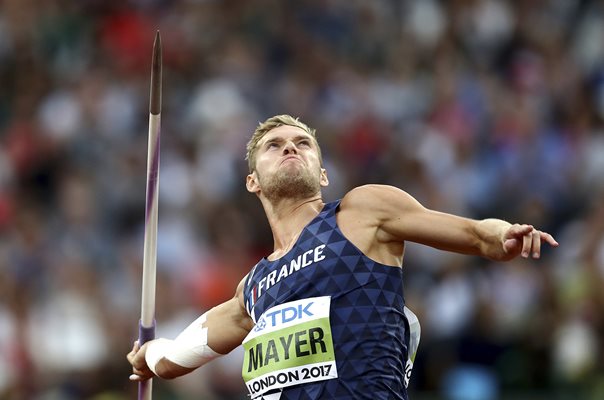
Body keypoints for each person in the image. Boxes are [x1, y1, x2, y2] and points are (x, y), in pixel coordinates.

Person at [127, 115, 559, 399]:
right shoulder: (254, 289)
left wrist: (503, 235)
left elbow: (472, 233)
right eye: (274, 145)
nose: (290, 148)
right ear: (253, 182)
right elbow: (174, 356)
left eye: (302, 143)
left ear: (323, 173)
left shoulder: (361, 212)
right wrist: (146, 356)